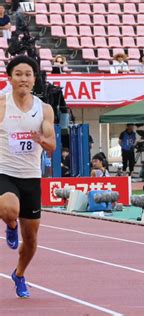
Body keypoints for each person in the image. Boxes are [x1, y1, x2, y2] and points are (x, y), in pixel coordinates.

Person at [0, 55, 56, 298]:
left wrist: (41, 140)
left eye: (28, 74)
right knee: (10, 209)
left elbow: (52, 146)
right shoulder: (1, 105)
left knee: (31, 240)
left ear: (34, 79)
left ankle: (19, 274)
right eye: (18, 74)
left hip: (31, 176)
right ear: (10, 78)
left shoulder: (44, 109)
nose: (23, 78)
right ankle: (10, 224)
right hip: (4, 170)